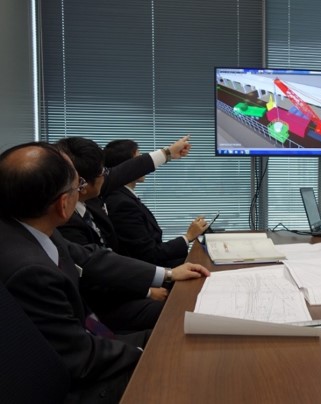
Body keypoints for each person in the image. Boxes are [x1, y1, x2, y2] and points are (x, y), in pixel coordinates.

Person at [0, 142, 210, 402]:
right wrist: (151, 352)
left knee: (178, 334)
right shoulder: (30, 271)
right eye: (78, 186)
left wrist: (167, 274)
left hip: (88, 344)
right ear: (64, 205)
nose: (85, 189)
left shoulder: (27, 226)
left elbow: (91, 259)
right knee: (187, 364)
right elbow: (80, 357)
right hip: (75, 383)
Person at [103, 139, 206, 267]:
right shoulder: (121, 203)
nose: (143, 165)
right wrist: (188, 237)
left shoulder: (125, 196)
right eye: (139, 159)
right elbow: (149, 254)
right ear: (128, 166)